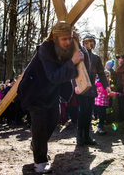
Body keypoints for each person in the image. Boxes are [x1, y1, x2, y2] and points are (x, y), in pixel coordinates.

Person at [17, 21, 84, 173]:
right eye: (64, 39)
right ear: (55, 39)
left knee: (55, 118)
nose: (67, 42)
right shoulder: (45, 50)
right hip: (35, 91)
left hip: (51, 92)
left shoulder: (68, 45)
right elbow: (54, 76)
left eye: (69, 38)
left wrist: (77, 43)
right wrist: (72, 62)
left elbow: (81, 57)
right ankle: (40, 162)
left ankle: (37, 145)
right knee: (39, 124)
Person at [74, 35, 109, 146]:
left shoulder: (96, 58)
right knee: (82, 112)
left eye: (92, 41)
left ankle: (86, 136)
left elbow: (102, 73)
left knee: (89, 113)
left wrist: (106, 86)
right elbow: (73, 70)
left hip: (91, 88)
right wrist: (75, 85)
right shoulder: (79, 55)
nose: (90, 43)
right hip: (81, 86)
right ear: (84, 43)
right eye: (88, 41)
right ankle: (79, 136)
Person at [95, 70, 120, 134]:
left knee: (102, 115)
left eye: (109, 76)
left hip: (101, 102)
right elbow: (108, 93)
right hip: (101, 102)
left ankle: (101, 126)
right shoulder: (102, 84)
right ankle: (100, 128)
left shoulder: (101, 84)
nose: (108, 78)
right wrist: (117, 94)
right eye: (106, 76)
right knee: (102, 116)